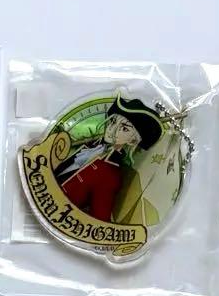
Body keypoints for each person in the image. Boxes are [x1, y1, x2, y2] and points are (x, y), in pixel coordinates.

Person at [54, 95, 164, 224]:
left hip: (58, 216)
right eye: (113, 121)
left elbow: (100, 220)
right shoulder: (90, 146)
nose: (112, 129)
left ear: (133, 140)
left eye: (124, 128)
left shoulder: (110, 174)